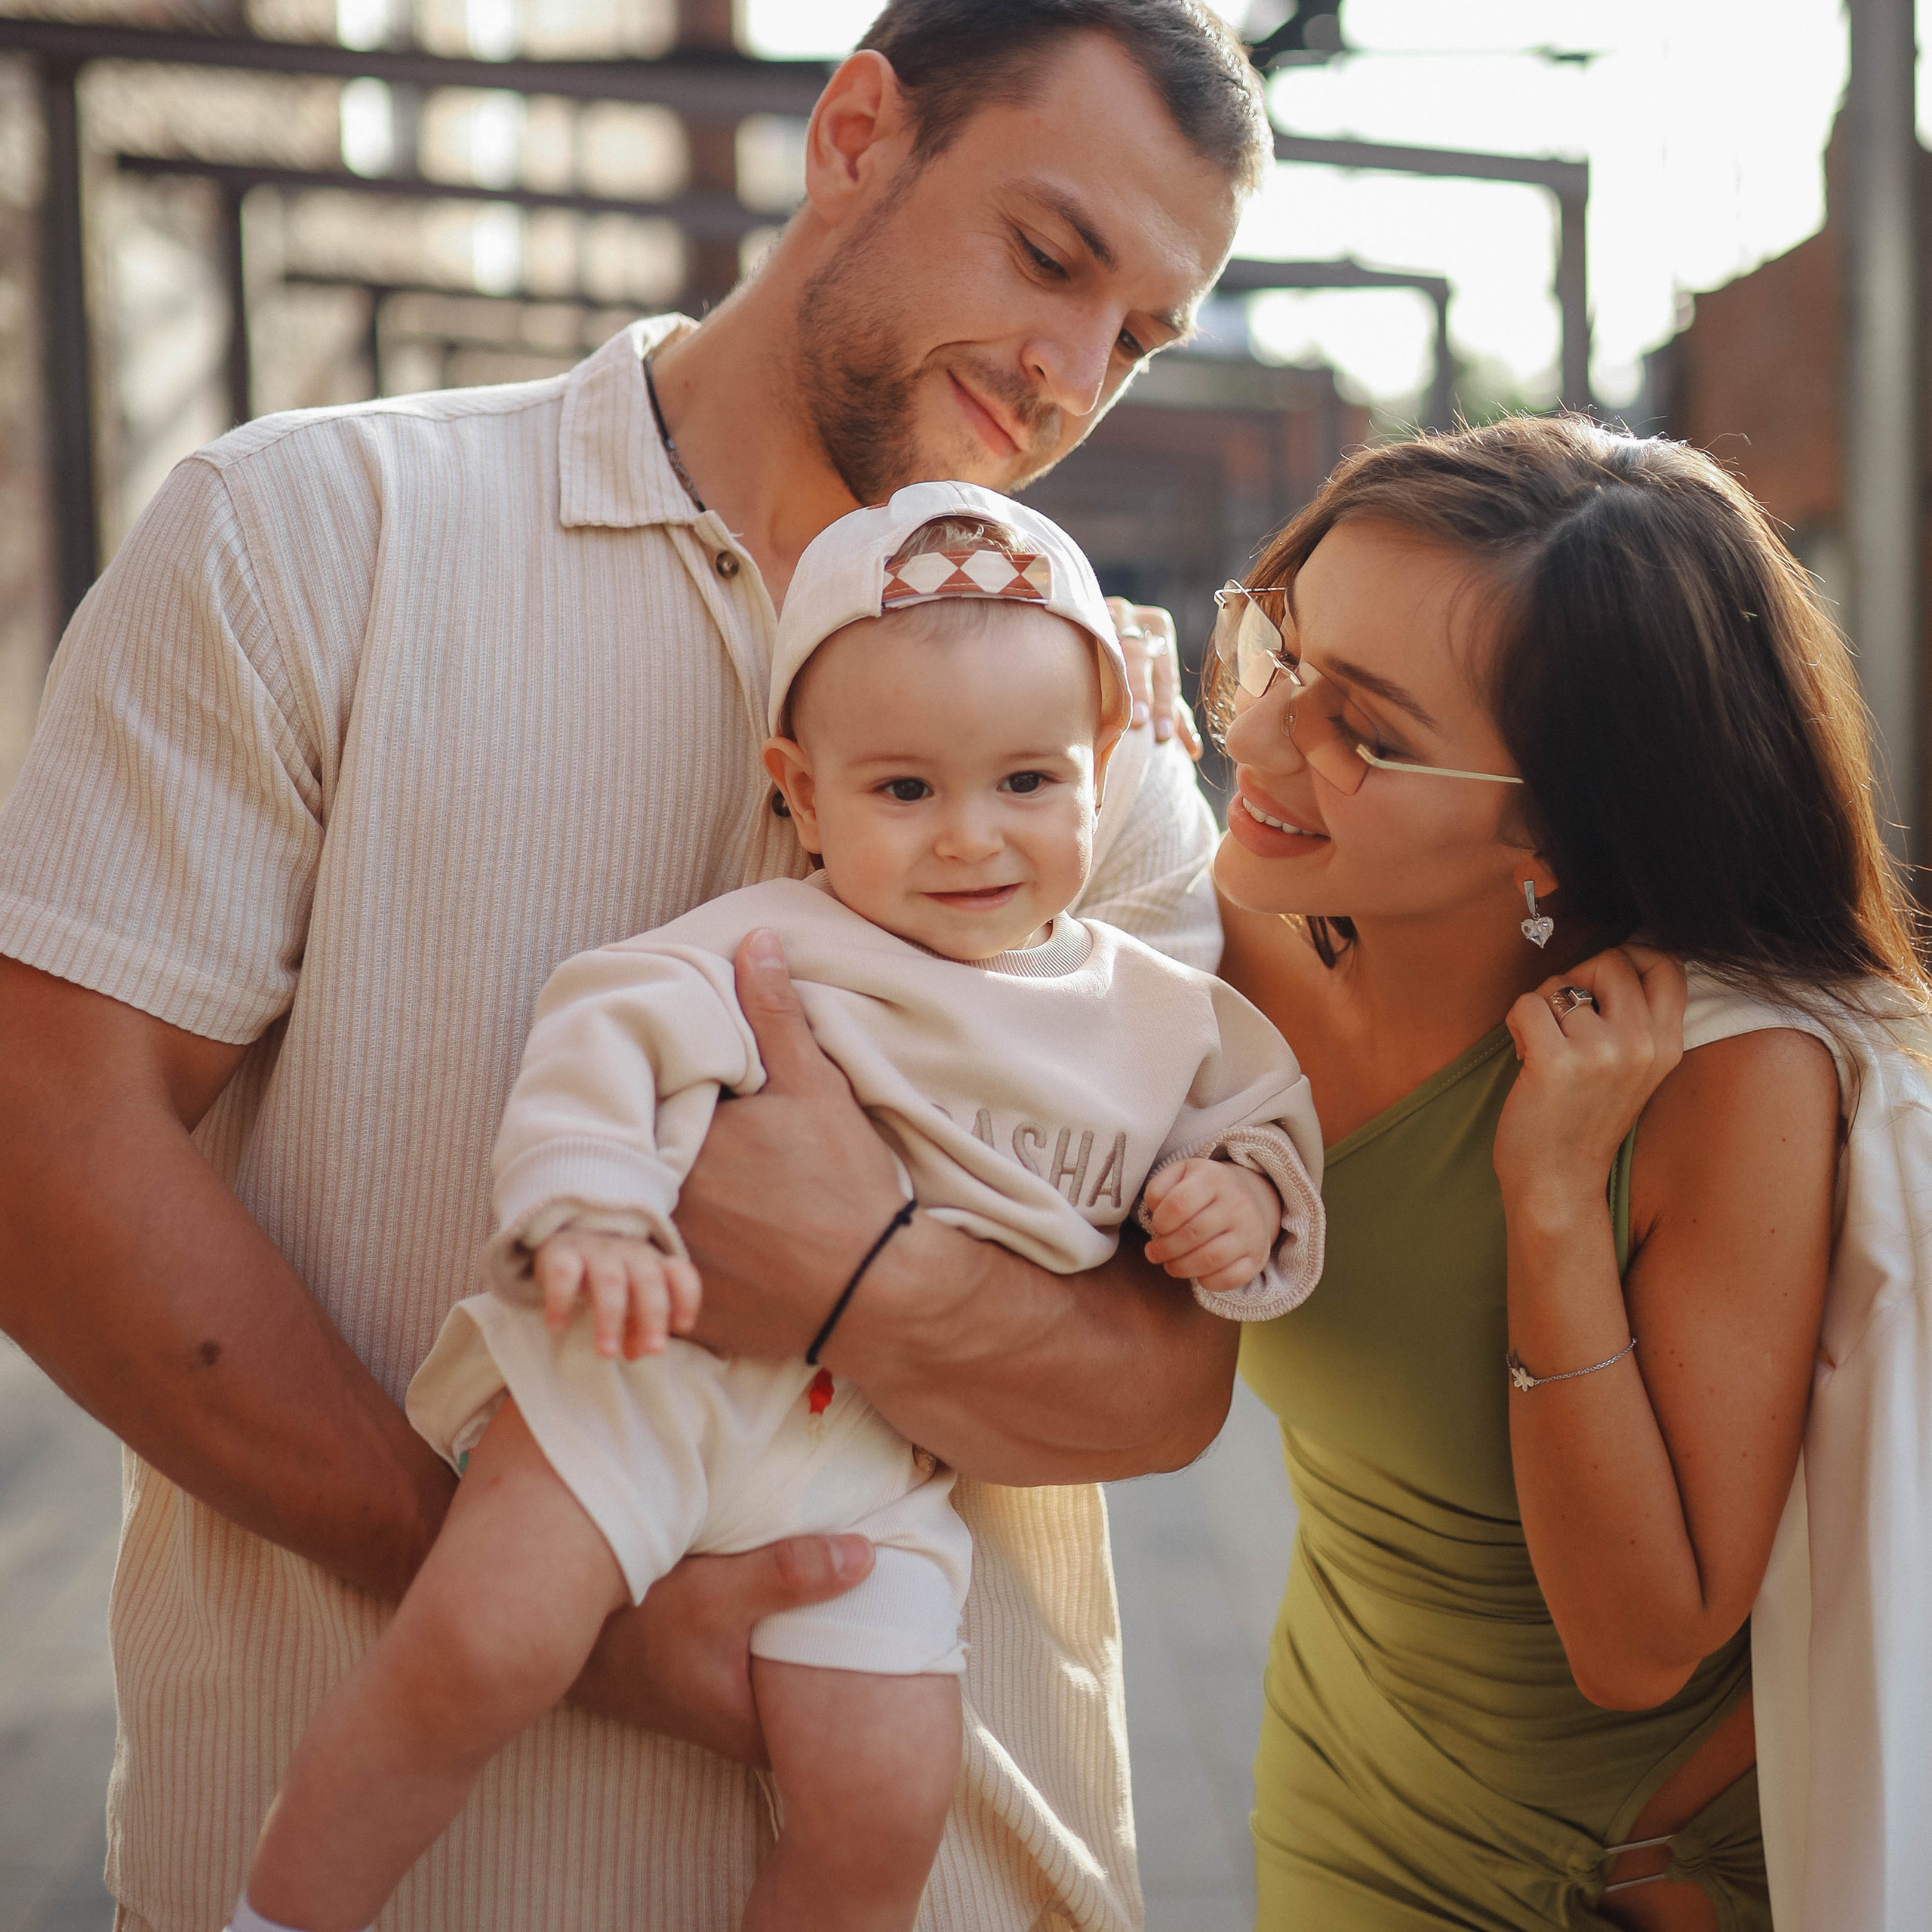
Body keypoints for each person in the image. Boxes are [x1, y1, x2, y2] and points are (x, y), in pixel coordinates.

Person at [0, 6, 1274, 1928]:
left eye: (1141, 336)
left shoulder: (1094, 746)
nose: (1070, 373)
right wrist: (546, 1597)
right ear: (855, 132)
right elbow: (44, 1155)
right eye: (1046, 254)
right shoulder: (314, 535)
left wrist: (857, 1271)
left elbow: (1163, 1392)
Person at [232, 486, 1324, 1932]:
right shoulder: (776, 944)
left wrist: (1234, 1196)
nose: (970, 840)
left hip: (876, 1464)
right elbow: (605, 1031)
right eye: (903, 792)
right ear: (802, 795)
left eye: (1026, 782)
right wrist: (594, 1210)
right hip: (650, 1377)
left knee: (886, 1799)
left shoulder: (1151, 1010)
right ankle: (281, 1913)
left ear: (1103, 767)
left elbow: (1260, 1118)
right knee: (478, 1648)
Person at [1204, 414, 1929, 1931]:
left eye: (1365, 731)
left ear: (1548, 822)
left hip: (1616, 1869)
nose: (1261, 738)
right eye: (1279, 648)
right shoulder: (1215, 937)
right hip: (1335, 1787)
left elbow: (1640, 1644)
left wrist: (1549, 1201)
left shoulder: (1728, 1079)